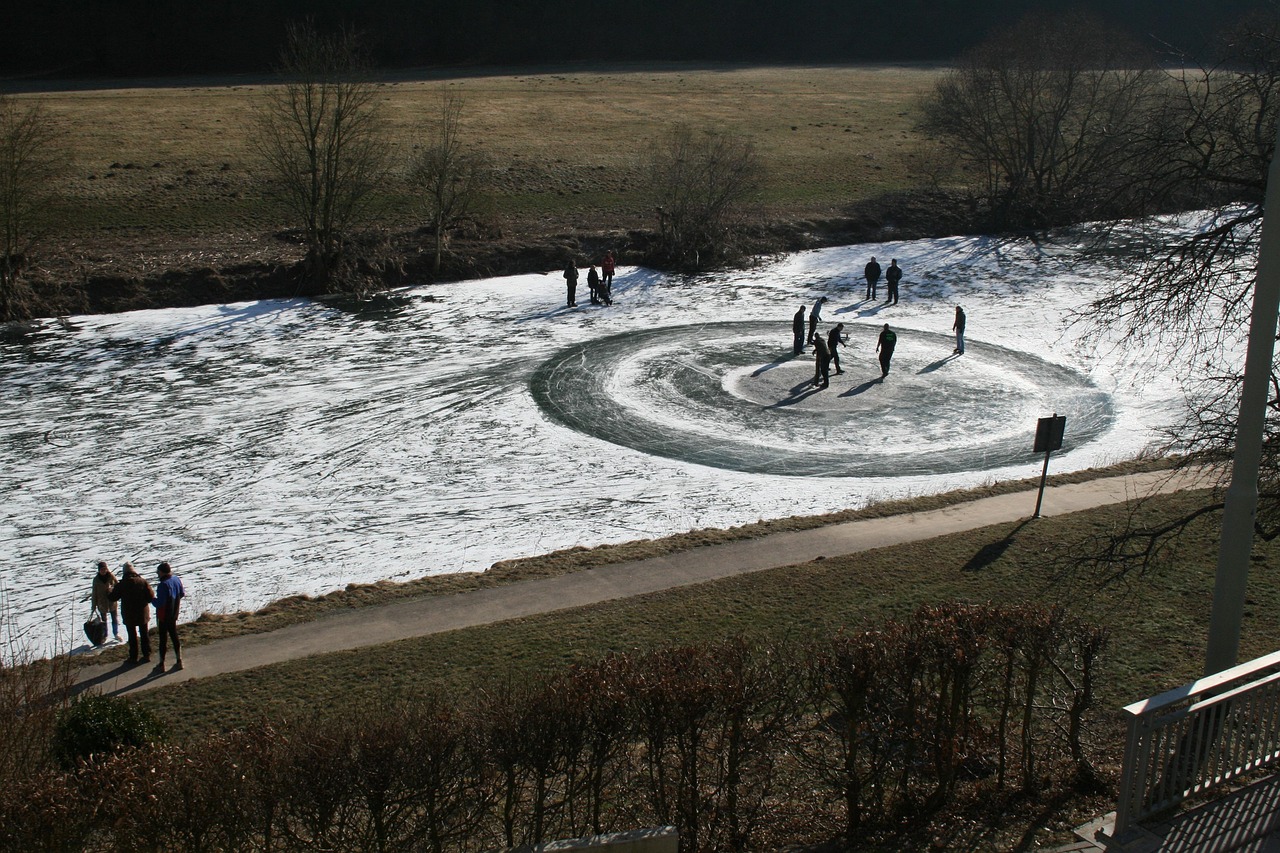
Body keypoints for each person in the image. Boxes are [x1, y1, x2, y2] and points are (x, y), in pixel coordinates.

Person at [109, 562, 154, 665]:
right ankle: (146, 655)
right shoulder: (142, 582)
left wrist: (109, 591)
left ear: (124, 572)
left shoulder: (122, 584)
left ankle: (133, 657)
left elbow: (113, 597)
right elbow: (150, 597)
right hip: (142, 613)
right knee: (144, 634)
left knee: (132, 636)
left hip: (129, 614)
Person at [153, 561, 185, 673]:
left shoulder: (163, 585)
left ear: (162, 572)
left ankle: (161, 664)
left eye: (158, 572)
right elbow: (181, 594)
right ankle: (179, 660)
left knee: (163, 639)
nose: (157, 574)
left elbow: (159, 603)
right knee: (174, 635)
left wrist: (151, 599)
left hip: (163, 616)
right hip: (174, 613)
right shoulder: (176, 579)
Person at [90, 560, 121, 643]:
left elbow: (118, 586)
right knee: (104, 621)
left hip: (112, 601)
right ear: (99, 570)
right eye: (102, 570)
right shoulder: (96, 580)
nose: (103, 571)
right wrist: (93, 606)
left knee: (114, 618)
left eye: (105, 569)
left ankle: (116, 633)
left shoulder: (111, 576)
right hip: (102, 603)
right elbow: (94, 593)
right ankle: (104, 636)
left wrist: (112, 590)